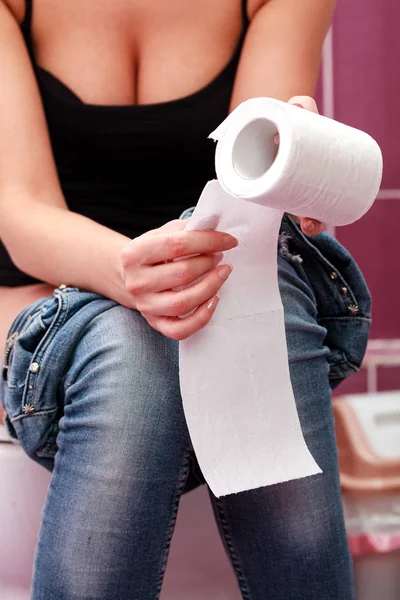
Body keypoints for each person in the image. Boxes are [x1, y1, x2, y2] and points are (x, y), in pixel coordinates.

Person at [0, 0, 371, 598]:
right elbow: (20, 212)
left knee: (253, 317)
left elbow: (254, 197)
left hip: (217, 289)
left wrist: (291, 157)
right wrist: (139, 281)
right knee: (134, 346)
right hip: (47, 289)